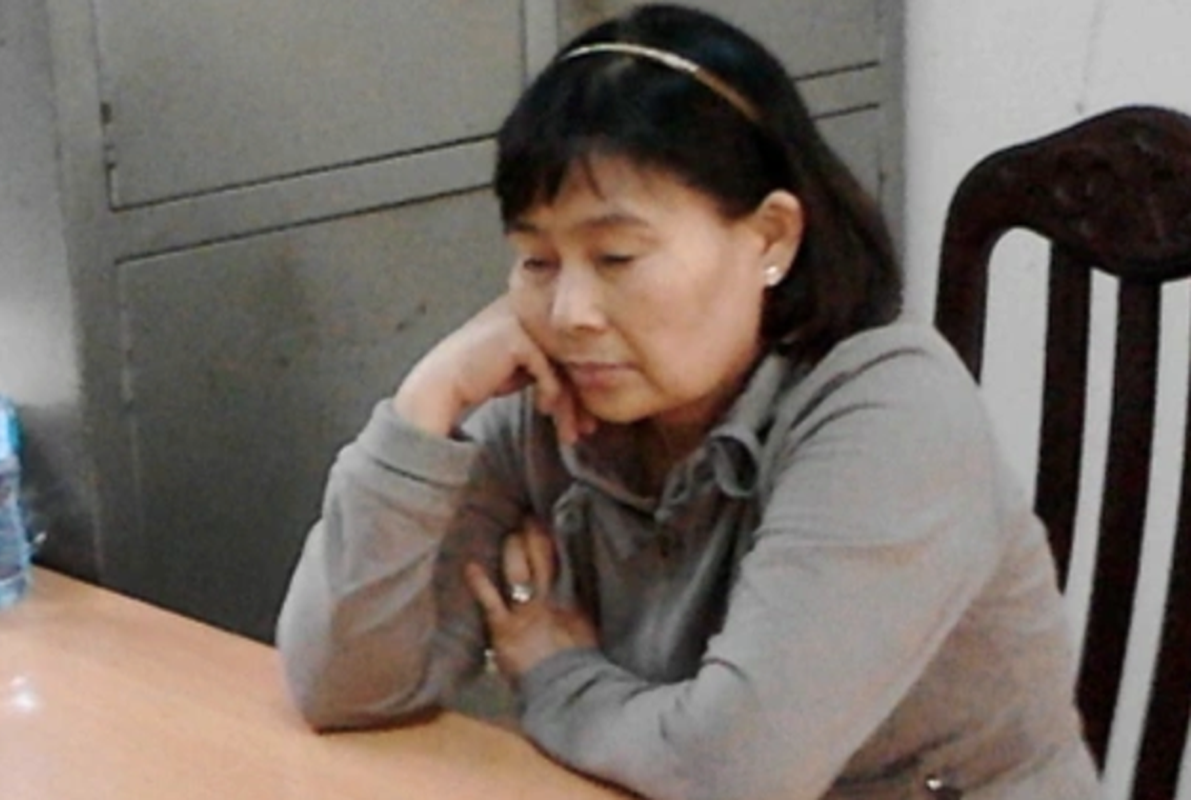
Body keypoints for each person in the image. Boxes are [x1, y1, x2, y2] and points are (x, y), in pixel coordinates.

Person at [276, 5, 1101, 798]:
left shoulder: (891, 410)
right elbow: (341, 686)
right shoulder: (552, 402)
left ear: (771, 238)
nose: (570, 313)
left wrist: (557, 677)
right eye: (536, 261)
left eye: (617, 257)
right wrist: (427, 402)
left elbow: (735, 773)